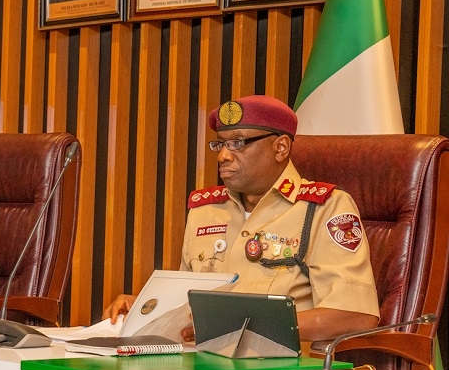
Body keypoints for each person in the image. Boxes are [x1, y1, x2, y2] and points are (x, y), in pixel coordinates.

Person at [104, 95, 379, 342]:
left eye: (237, 143)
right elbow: (187, 305)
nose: (223, 156)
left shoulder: (322, 208)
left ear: (281, 148)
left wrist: (244, 324)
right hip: (201, 366)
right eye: (221, 144)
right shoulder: (206, 210)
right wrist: (145, 308)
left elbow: (354, 316)